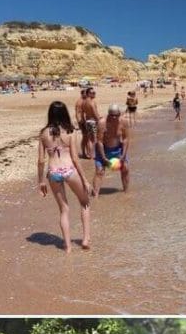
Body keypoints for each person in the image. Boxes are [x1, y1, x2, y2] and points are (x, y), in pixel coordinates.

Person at [37, 101, 91, 252]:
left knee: (64, 209)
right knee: (84, 202)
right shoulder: (70, 131)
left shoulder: (43, 133)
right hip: (69, 170)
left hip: (53, 172)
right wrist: (85, 180)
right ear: (65, 113)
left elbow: (41, 161)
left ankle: (67, 246)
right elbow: (75, 157)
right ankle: (85, 239)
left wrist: (41, 181)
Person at [92, 104, 130, 197]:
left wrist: (123, 155)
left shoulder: (124, 122)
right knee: (99, 171)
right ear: (108, 114)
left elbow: (126, 139)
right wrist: (104, 157)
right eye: (111, 115)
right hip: (103, 149)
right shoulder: (102, 123)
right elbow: (99, 141)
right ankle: (95, 195)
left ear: (119, 114)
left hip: (117, 149)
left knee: (125, 169)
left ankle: (126, 193)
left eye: (116, 115)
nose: (113, 117)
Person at [82, 87, 100, 159]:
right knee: (95, 139)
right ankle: (95, 155)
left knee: (89, 139)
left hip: (87, 121)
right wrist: (99, 121)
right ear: (88, 94)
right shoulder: (92, 102)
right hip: (93, 121)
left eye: (94, 92)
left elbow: (83, 113)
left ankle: (90, 155)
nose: (94, 94)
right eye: (93, 93)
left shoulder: (84, 102)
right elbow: (95, 114)